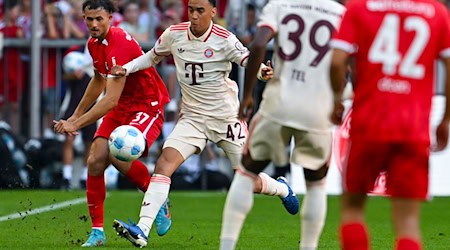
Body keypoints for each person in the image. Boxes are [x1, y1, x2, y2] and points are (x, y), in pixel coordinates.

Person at [109, 0, 299, 248]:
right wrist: (126, 68)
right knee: (164, 165)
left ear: (213, 12)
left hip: (226, 119)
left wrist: (263, 71)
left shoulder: (224, 38)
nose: (195, 16)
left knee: (247, 181)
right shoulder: (174, 34)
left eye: (200, 11)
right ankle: (142, 229)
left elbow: (246, 59)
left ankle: (282, 189)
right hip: (193, 118)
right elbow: (151, 57)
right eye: (191, 10)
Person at [219, 0, 346, 249]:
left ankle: (227, 245)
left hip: (279, 104)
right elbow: (343, 60)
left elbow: (257, 45)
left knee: (245, 175)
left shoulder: (279, 5)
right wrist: (339, 98)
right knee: (316, 185)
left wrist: (247, 95)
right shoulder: (340, 13)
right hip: (316, 108)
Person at [329, 0, 450, 248]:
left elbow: (336, 61)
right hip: (413, 129)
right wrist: (446, 118)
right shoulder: (436, 11)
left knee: (353, 209)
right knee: (408, 222)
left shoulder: (359, 7)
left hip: (368, 124)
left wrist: (336, 100)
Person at [53, 0, 172, 247]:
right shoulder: (94, 44)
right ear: (83, 19)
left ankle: (157, 199)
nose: (94, 24)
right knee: (95, 160)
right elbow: (97, 81)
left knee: (118, 154)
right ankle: (97, 234)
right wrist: (75, 116)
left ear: (110, 18)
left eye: (99, 19)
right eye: (89, 19)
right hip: (122, 106)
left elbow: (109, 100)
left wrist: (77, 124)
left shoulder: (117, 42)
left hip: (146, 104)